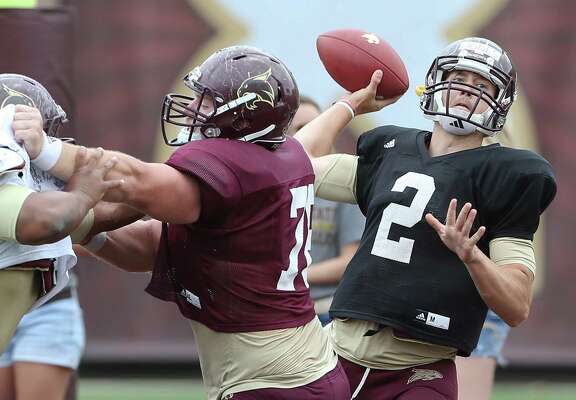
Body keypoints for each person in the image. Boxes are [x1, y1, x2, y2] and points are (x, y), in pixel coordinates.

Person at [17, 46, 350, 400]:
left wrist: (45, 150)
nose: (191, 108)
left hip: (275, 381)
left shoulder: (236, 167)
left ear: (241, 117)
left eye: (206, 102)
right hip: (286, 371)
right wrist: (78, 227)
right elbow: (151, 245)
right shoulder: (276, 157)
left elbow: (132, 180)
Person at [293, 37, 557, 399]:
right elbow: (294, 164)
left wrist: (472, 255)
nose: (467, 92)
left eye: (482, 85)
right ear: (436, 83)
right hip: (335, 355)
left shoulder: (508, 175)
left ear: (500, 101)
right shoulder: (390, 150)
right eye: (459, 79)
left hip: (419, 373)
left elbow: (516, 306)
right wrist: (349, 105)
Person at [0, 74, 120, 354]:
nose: (48, 142)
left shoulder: (36, 202)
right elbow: (50, 219)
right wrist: (83, 193)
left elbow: (103, 213)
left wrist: (169, 185)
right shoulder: (38, 210)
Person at [288, 96, 365, 325]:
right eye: (298, 129)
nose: (309, 135)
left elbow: (350, 262)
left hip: (327, 312)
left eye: (315, 125)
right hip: (278, 313)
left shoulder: (344, 185)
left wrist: (290, 275)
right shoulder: (268, 186)